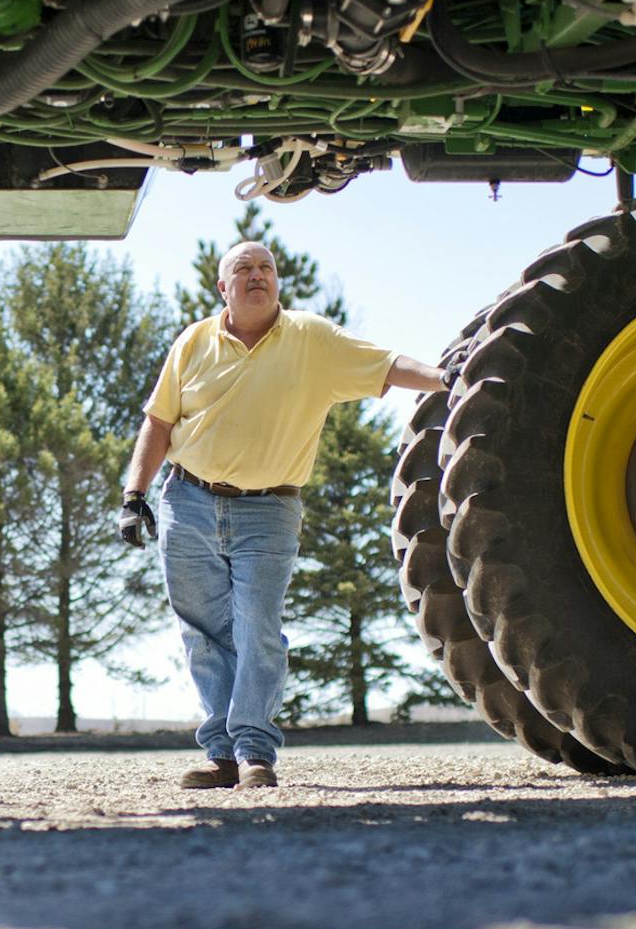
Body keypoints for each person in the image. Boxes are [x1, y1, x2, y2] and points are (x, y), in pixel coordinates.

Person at [117, 240, 445, 789]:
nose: (256, 275)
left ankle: (253, 752)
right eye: (242, 269)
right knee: (203, 633)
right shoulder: (194, 341)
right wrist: (134, 495)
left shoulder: (311, 338)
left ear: (278, 281)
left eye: (265, 267)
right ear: (222, 287)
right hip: (187, 500)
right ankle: (221, 755)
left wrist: (442, 377)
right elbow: (159, 421)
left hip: (269, 508)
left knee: (257, 627)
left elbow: (386, 366)